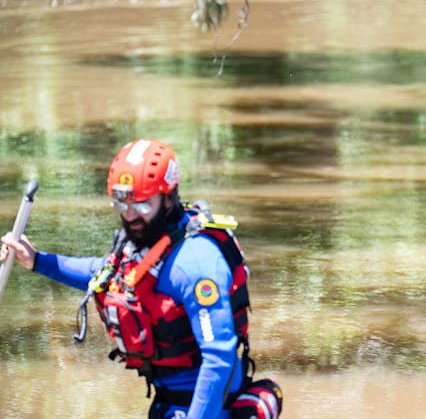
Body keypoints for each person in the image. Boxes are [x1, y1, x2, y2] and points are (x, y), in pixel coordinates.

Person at [1, 138, 282, 419]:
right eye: (122, 205)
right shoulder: (147, 239)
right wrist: (36, 260)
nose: (131, 215)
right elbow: (104, 274)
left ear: (168, 196)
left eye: (142, 205)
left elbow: (218, 359)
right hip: (169, 404)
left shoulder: (196, 263)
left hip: (205, 408)